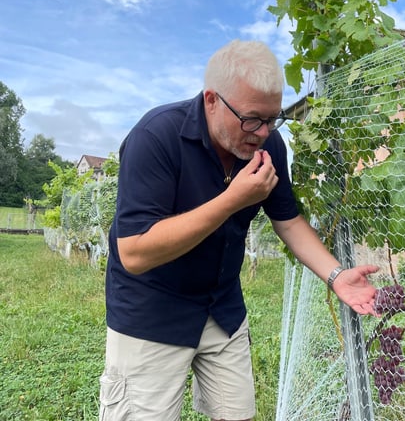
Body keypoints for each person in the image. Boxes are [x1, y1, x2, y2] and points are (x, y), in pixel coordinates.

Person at [99, 39, 380, 421]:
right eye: (252, 119)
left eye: (272, 118)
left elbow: (288, 220)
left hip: (221, 309)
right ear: (211, 100)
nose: (263, 132)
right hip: (152, 310)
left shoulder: (268, 145)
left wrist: (336, 275)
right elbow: (134, 252)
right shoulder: (156, 137)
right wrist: (232, 199)